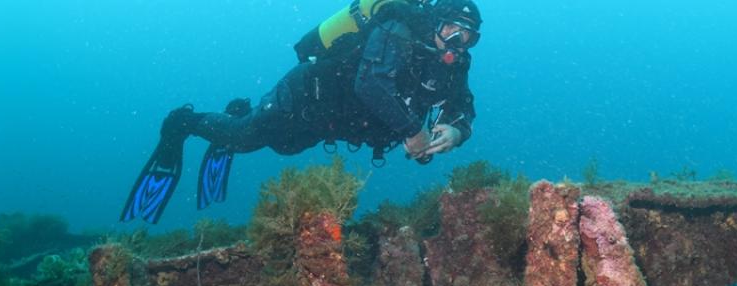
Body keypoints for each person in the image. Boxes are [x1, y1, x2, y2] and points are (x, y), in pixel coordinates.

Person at [121, 0, 482, 223]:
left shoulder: (453, 65)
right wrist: (410, 130)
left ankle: (239, 111)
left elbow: (462, 105)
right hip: (305, 96)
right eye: (452, 29)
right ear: (434, 20)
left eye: (467, 37)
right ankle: (182, 123)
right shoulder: (396, 29)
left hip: (330, 123)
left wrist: (455, 132)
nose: (457, 42)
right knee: (245, 138)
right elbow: (369, 83)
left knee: (284, 147)